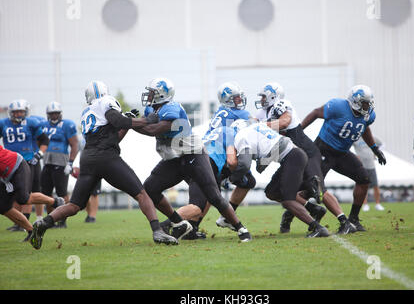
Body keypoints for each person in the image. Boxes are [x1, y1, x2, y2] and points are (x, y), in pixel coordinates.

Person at [29, 81, 178, 249]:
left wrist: (129, 122)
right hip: (106, 157)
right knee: (142, 194)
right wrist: (144, 120)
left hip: (88, 157)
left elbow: (114, 135)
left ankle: (44, 223)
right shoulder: (105, 101)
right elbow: (117, 120)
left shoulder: (87, 111)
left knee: (75, 205)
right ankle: (157, 231)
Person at [135, 77, 252, 242]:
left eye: (153, 92)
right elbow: (145, 123)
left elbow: (153, 129)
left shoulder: (172, 108)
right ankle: (178, 223)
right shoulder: (151, 110)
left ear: (162, 95)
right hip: (174, 159)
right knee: (150, 188)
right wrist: (131, 121)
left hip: (193, 155)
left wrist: (127, 123)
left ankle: (241, 229)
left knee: (213, 196)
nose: (149, 95)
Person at [255, 83, 355, 235]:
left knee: (318, 188)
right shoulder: (263, 113)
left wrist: (261, 126)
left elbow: (284, 122)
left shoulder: (282, 104)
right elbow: (254, 124)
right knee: (273, 192)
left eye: (263, 96)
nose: (261, 100)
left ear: (273, 96)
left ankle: (345, 222)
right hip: (290, 158)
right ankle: (313, 208)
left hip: (307, 153)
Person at [300, 85, 387, 232]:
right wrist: (299, 130)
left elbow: (364, 127)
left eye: (368, 102)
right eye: (364, 102)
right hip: (323, 149)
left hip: (342, 153)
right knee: (310, 189)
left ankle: (353, 219)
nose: (367, 106)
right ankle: (289, 216)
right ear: (354, 101)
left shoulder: (369, 115)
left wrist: (375, 149)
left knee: (364, 180)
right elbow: (315, 113)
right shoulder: (338, 106)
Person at [229, 119, 329, 237]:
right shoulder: (258, 127)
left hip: (292, 157)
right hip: (295, 153)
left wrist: (233, 178)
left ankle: (318, 228)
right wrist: (263, 162)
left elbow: (245, 164)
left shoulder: (241, 135)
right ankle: (313, 206)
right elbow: (280, 142)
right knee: (272, 192)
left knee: (288, 200)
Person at [0, 99, 50, 231]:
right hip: (9, 164)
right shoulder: (3, 123)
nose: (18, 114)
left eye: (21, 111)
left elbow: (44, 139)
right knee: (14, 194)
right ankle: (20, 223)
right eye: (16, 112)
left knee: (26, 194)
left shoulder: (32, 123)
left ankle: (27, 219)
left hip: (26, 161)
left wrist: (39, 153)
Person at [0, 144, 65, 242]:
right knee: (3, 207)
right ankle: (32, 231)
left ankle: (55, 201)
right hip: (5, 175)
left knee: (23, 198)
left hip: (16, 166)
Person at [40, 101, 79, 228]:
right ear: (48, 114)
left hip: (61, 162)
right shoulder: (43, 125)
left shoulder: (67, 125)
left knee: (62, 192)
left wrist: (71, 162)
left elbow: (74, 145)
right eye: (51, 114)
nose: (54, 116)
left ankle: (63, 220)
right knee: (46, 193)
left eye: (56, 113)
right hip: (47, 162)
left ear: (60, 113)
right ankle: (50, 220)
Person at [352, 136, 385, 211]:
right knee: (362, 186)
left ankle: (377, 204)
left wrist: (377, 153)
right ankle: (365, 204)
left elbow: (382, 144)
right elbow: (347, 146)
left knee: (375, 185)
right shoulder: (355, 138)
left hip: (371, 165)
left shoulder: (371, 137)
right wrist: (354, 155)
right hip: (360, 166)